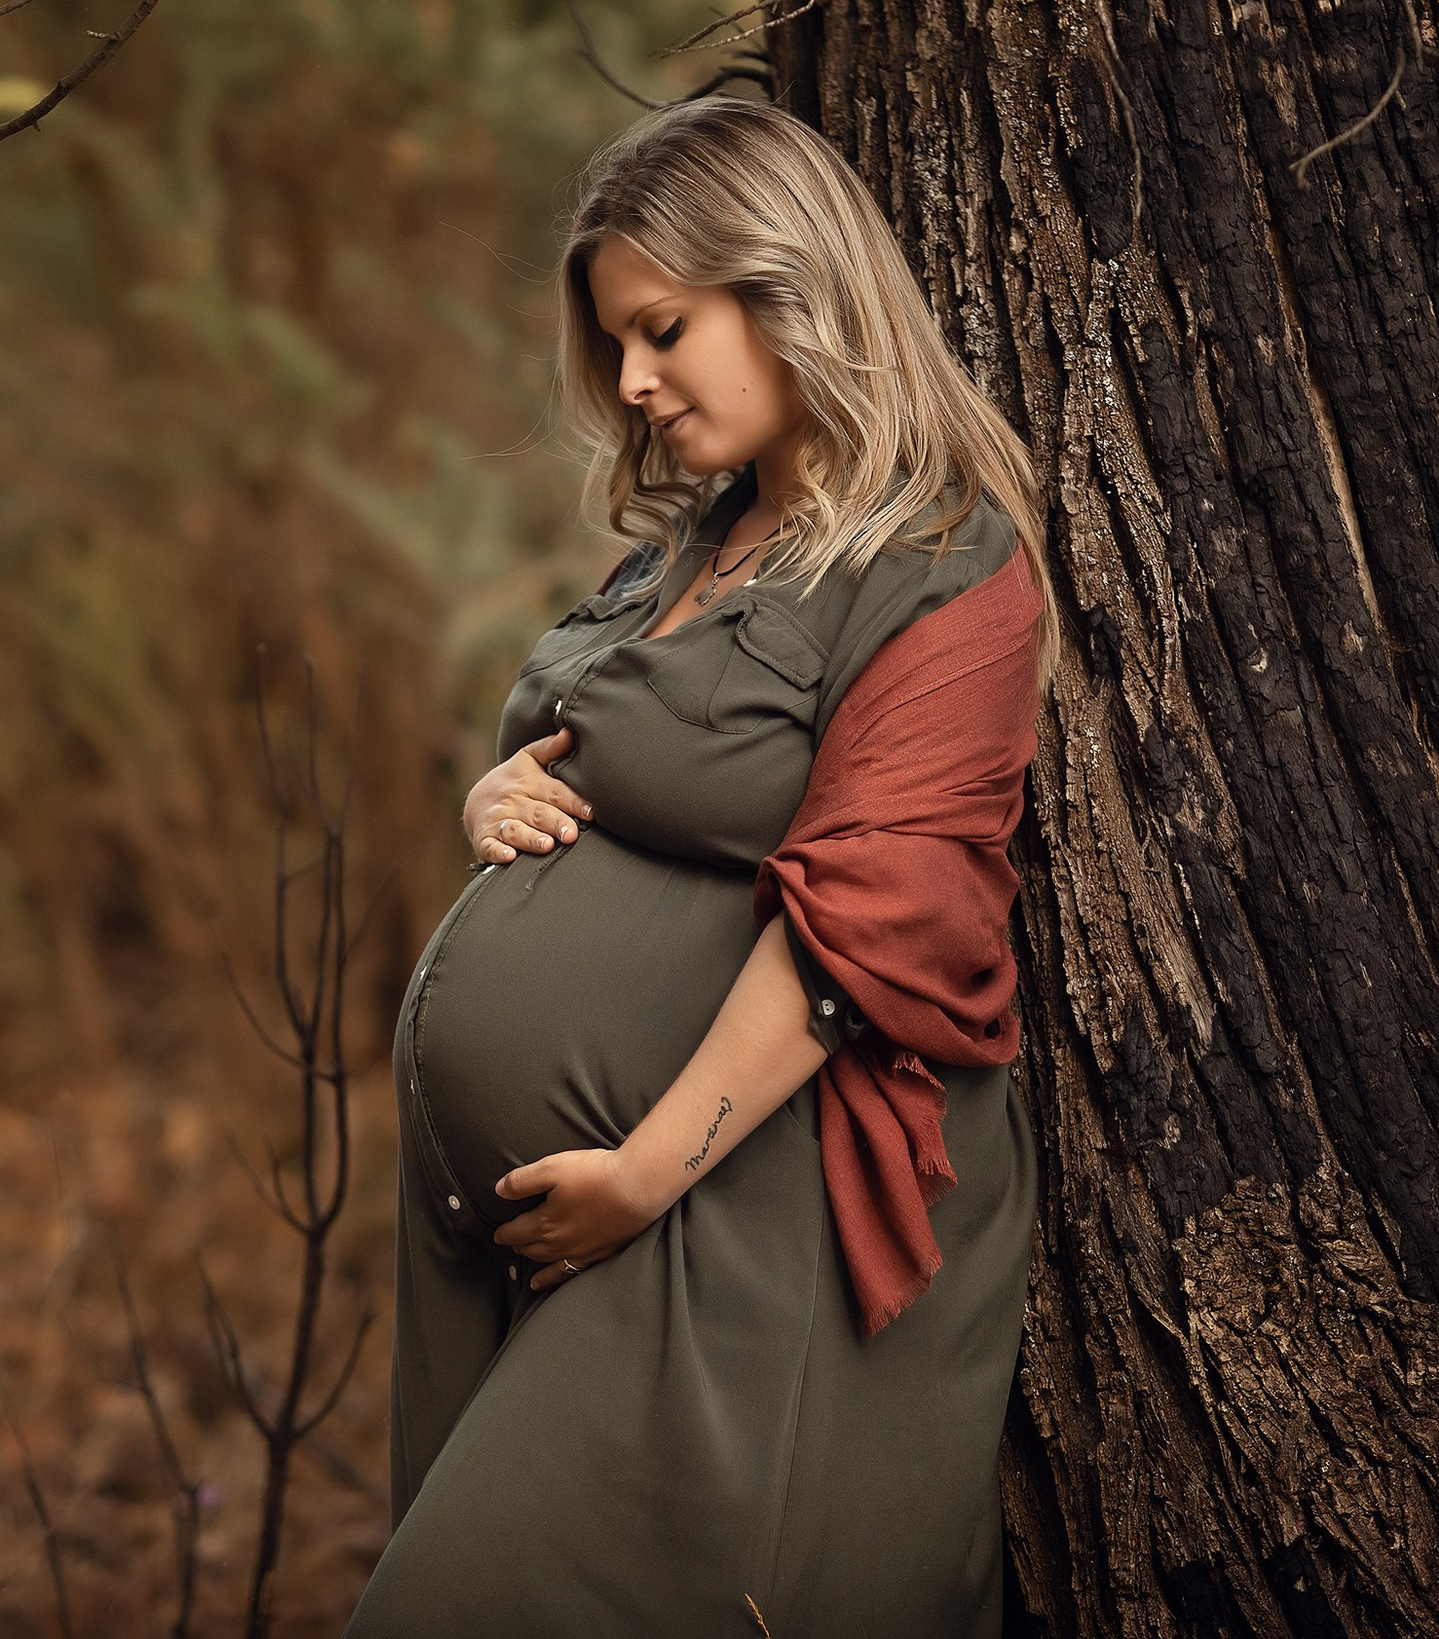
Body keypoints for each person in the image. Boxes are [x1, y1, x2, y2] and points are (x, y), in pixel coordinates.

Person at [344, 96, 1060, 1638]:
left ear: (793, 284)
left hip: (734, 1214)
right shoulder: (695, 539)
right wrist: (498, 795)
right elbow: (603, 743)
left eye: (663, 329)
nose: (631, 381)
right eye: (617, 342)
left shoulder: (946, 564)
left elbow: (880, 922)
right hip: (551, 1214)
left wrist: (641, 1176)